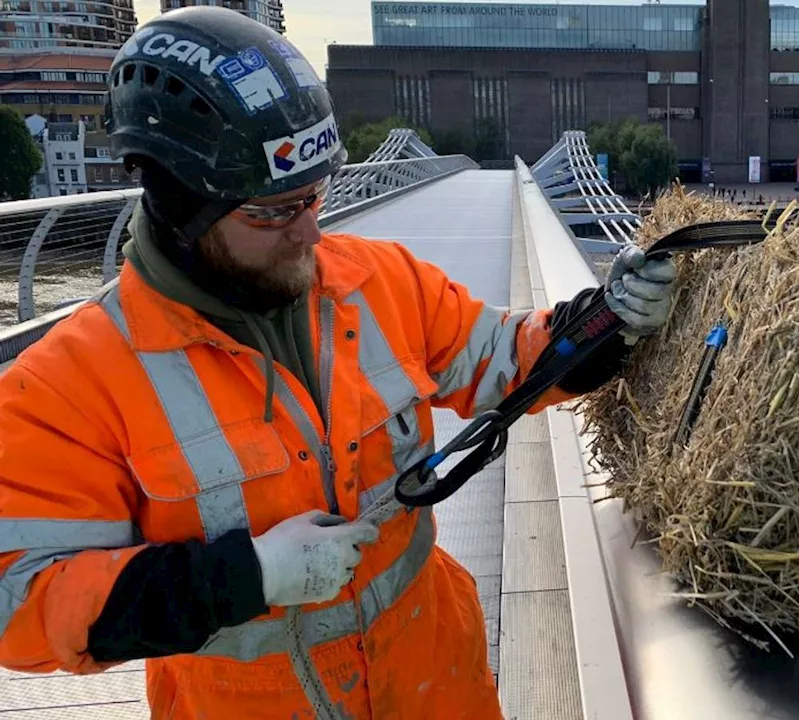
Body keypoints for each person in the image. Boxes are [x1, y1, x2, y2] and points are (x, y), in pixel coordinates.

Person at [0, 8, 676, 720]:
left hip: (438, 689)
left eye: (315, 196)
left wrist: (610, 319)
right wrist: (243, 577)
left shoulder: (377, 283)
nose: (311, 229)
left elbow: (508, 360)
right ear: (181, 206)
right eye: (274, 211)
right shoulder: (70, 384)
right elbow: (20, 602)